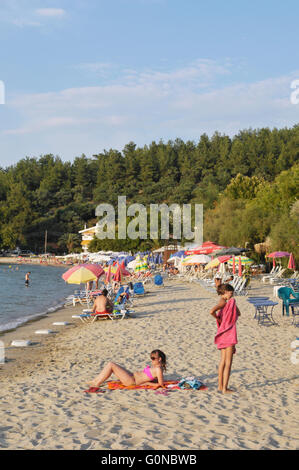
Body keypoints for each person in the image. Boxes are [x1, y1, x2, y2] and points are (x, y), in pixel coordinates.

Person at [209, 284, 241, 394]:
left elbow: (238, 313)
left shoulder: (225, 302)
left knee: (222, 362)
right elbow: (211, 311)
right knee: (228, 363)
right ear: (225, 292)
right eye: (231, 293)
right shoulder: (224, 302)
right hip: (228, 335)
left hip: (222, 335)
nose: (232, 296)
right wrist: (217, 318)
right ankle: (225, 388)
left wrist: (231, 305)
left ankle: (220, 386)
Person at [86, 349, 167, 391]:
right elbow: (154, 379)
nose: (151, 360)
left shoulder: (158, 369)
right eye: (151, 358)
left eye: (153, 358)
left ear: (159, 359)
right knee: (113, 366)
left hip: (132, 381)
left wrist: (146, 383)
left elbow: (160, 384)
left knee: (111, 365)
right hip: (132, 376)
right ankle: (95, 380)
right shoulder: (157, 368)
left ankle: (97, 383)